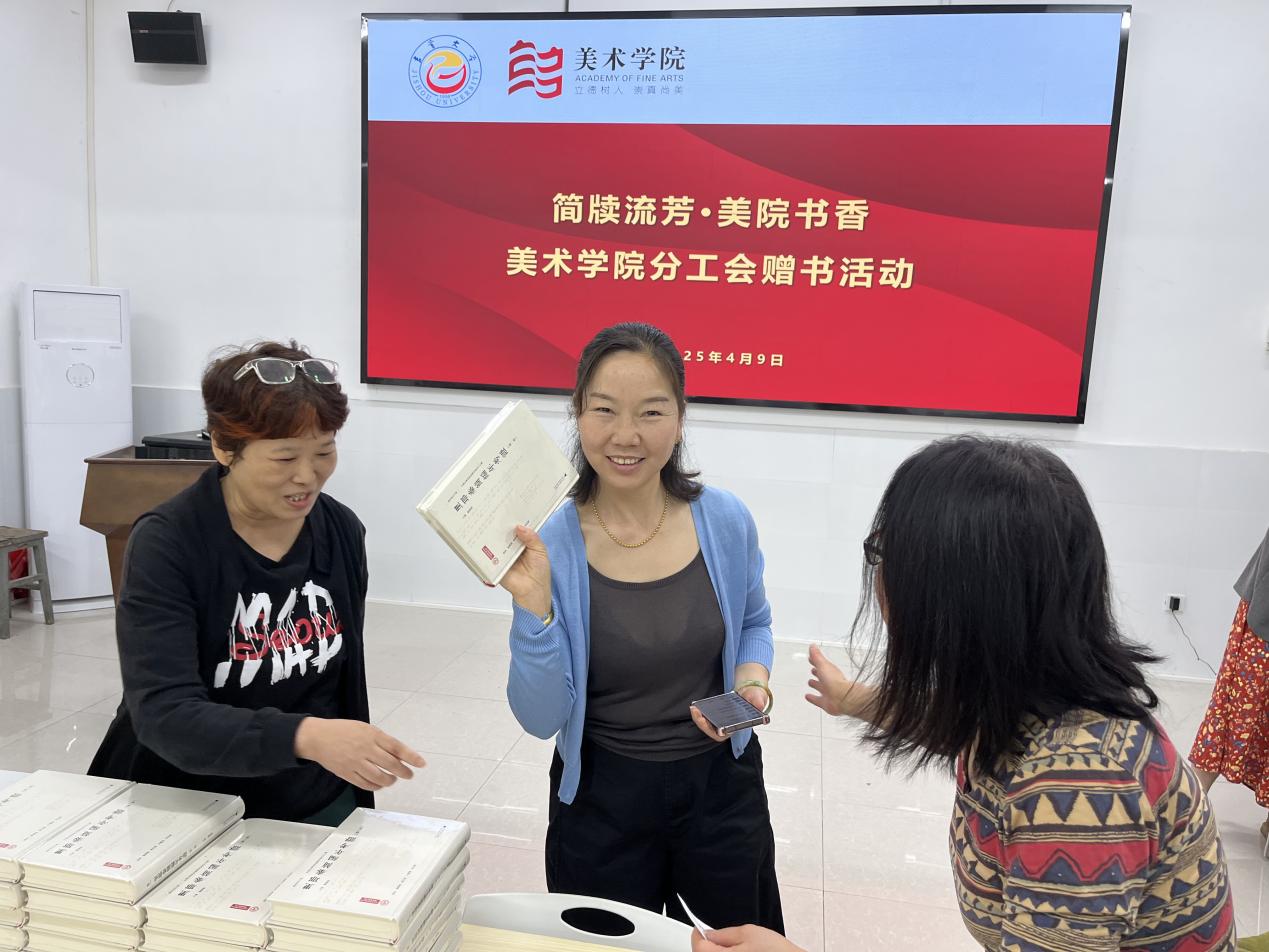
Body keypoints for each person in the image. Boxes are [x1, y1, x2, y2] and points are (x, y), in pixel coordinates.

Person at [693, 436, 1234, 951]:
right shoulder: (1039, 703)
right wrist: (854, 700)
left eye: (886, 555)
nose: (880, 580)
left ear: (959, 594)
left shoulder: (1080, 790)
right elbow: (969, 729)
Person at [499, 322, 783, 932]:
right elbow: (541, 718)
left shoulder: (724, 519)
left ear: (680, 418)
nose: (625, 436)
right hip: (602, 798)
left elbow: (755, 623)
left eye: (651, 412)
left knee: (737, 939)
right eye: (604, 410)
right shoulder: (549, 540)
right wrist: (534, 611)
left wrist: (752, 684)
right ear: (577, 414)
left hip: (721, 790)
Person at [89, 341, 424, 825]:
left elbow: (338, 679)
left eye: (324, 451)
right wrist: (306, 737)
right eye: (284, 458)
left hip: (312, 792)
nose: (307, 477)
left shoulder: (340, 530)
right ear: (223, 448)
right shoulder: (170, 543)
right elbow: (165, 714)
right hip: (190, 806)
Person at [1190, 527, 1269, 833]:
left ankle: (1185, 809)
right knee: (1234, 702)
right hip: (1263, 612)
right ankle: (1186, 809)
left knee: (1233, 703)